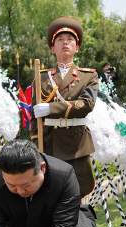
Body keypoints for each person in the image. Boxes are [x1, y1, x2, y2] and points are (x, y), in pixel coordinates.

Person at [31, 17, 99, 197]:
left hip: (77, 143)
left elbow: (87, 104)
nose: (65, 42)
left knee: (77, 191)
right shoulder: (42, 77)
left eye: (70, 39)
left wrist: (51, 109)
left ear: (76, 47)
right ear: (53, 48)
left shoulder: (88, 76)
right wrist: (35, 146)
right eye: (60, 40)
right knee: (50, 193)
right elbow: (33, 117)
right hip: (49, 143)